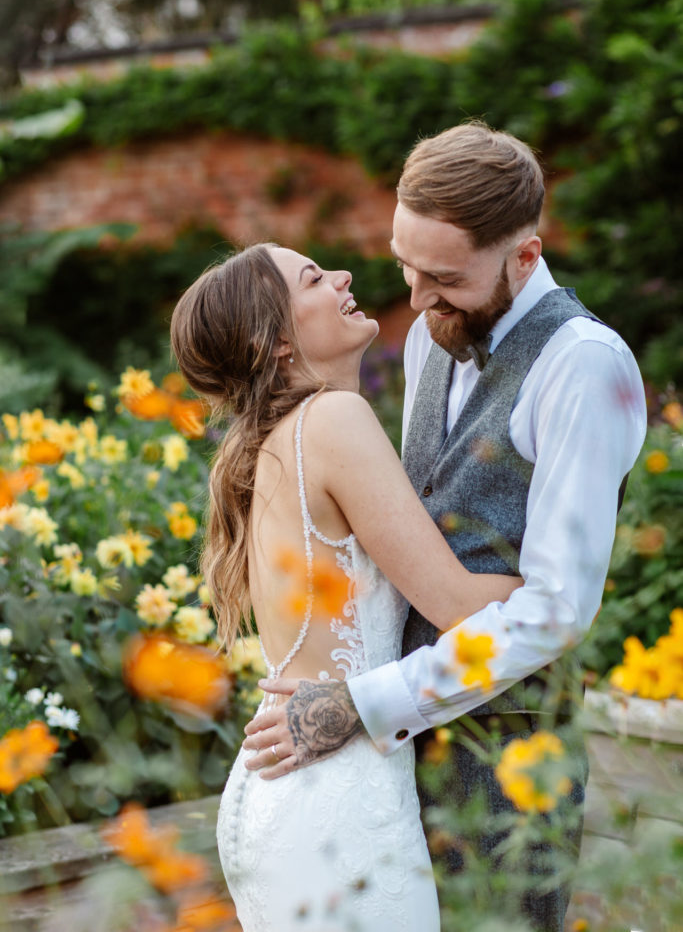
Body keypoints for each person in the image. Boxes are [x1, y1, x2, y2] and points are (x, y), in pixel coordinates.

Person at [243, 122, 647, 931]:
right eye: (404, 265)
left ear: (524, 256)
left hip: (504, 763)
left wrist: (366, 700)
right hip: (385, 763)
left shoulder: (584, 366)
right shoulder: (435, 335)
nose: (416, 299)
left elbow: (556, 612)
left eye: (441, 277)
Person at [169, 242, 523, 932]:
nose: (343, 276)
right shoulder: (332, 420)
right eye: (313, 278)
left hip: (286, 788)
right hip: (338, 796)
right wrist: (566, 588)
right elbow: (455, 605)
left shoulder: (274, 440)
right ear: (272, 340)